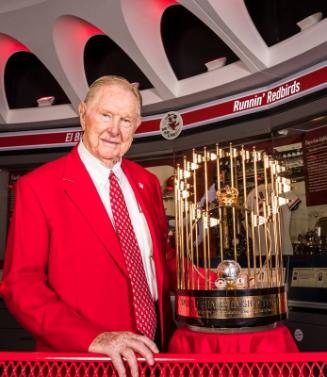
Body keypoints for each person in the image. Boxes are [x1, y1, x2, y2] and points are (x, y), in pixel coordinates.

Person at [0, 76, 175, 377]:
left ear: (136, 127)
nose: (114, 130)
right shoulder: (38, 187)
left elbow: (162, 260)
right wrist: (91, 338)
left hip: (156, 354)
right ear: (83, 114)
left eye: (126, 120)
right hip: (83, 361)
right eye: (105, 115)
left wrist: (217, 281)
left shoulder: (147, 183)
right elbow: (21, 285)